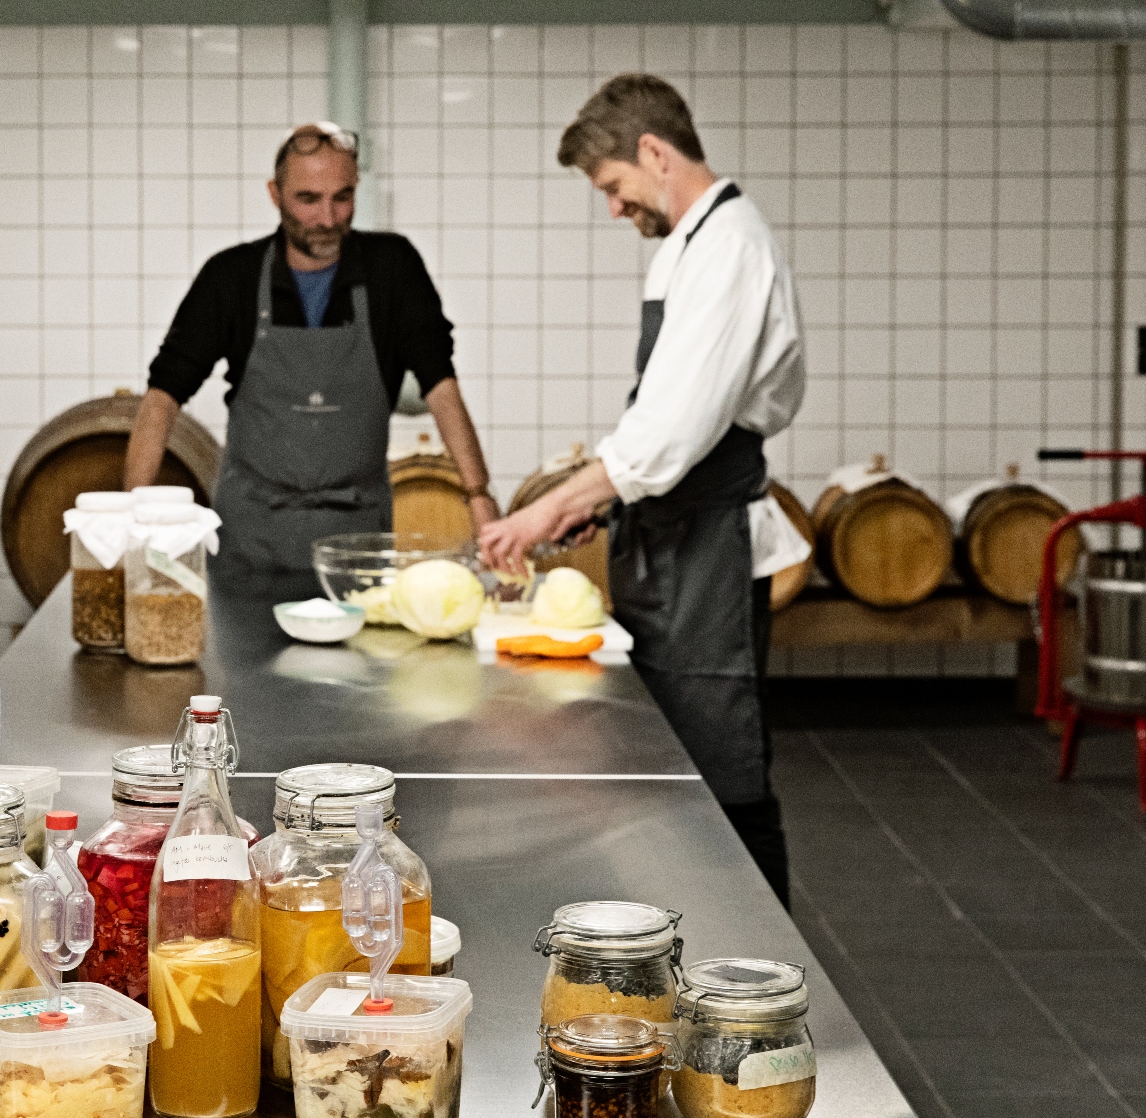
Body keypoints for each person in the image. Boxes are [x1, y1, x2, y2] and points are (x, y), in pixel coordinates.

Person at [478, 75, 806, 907]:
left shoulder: (731, 244)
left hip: (710, 547)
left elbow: (670, 435)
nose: (617, 210)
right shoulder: (690, 246)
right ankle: (691, 931)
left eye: (615, 188)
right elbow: (661, 426)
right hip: (673, 538)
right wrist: (594, 501)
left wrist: (555, 505)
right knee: (673, 764)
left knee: (721, 770)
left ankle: (761, 967)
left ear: (655, 153)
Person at [124, 122, 499, 599]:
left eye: (342, 198)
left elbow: (440, 384)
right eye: (308, 199)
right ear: (274, 194)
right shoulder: (231, 277)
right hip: (251, 543)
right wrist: (129, 522)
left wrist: (479, 496)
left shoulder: (392, 267)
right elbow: (162, 397)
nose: (327, 218)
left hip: (357, 548)